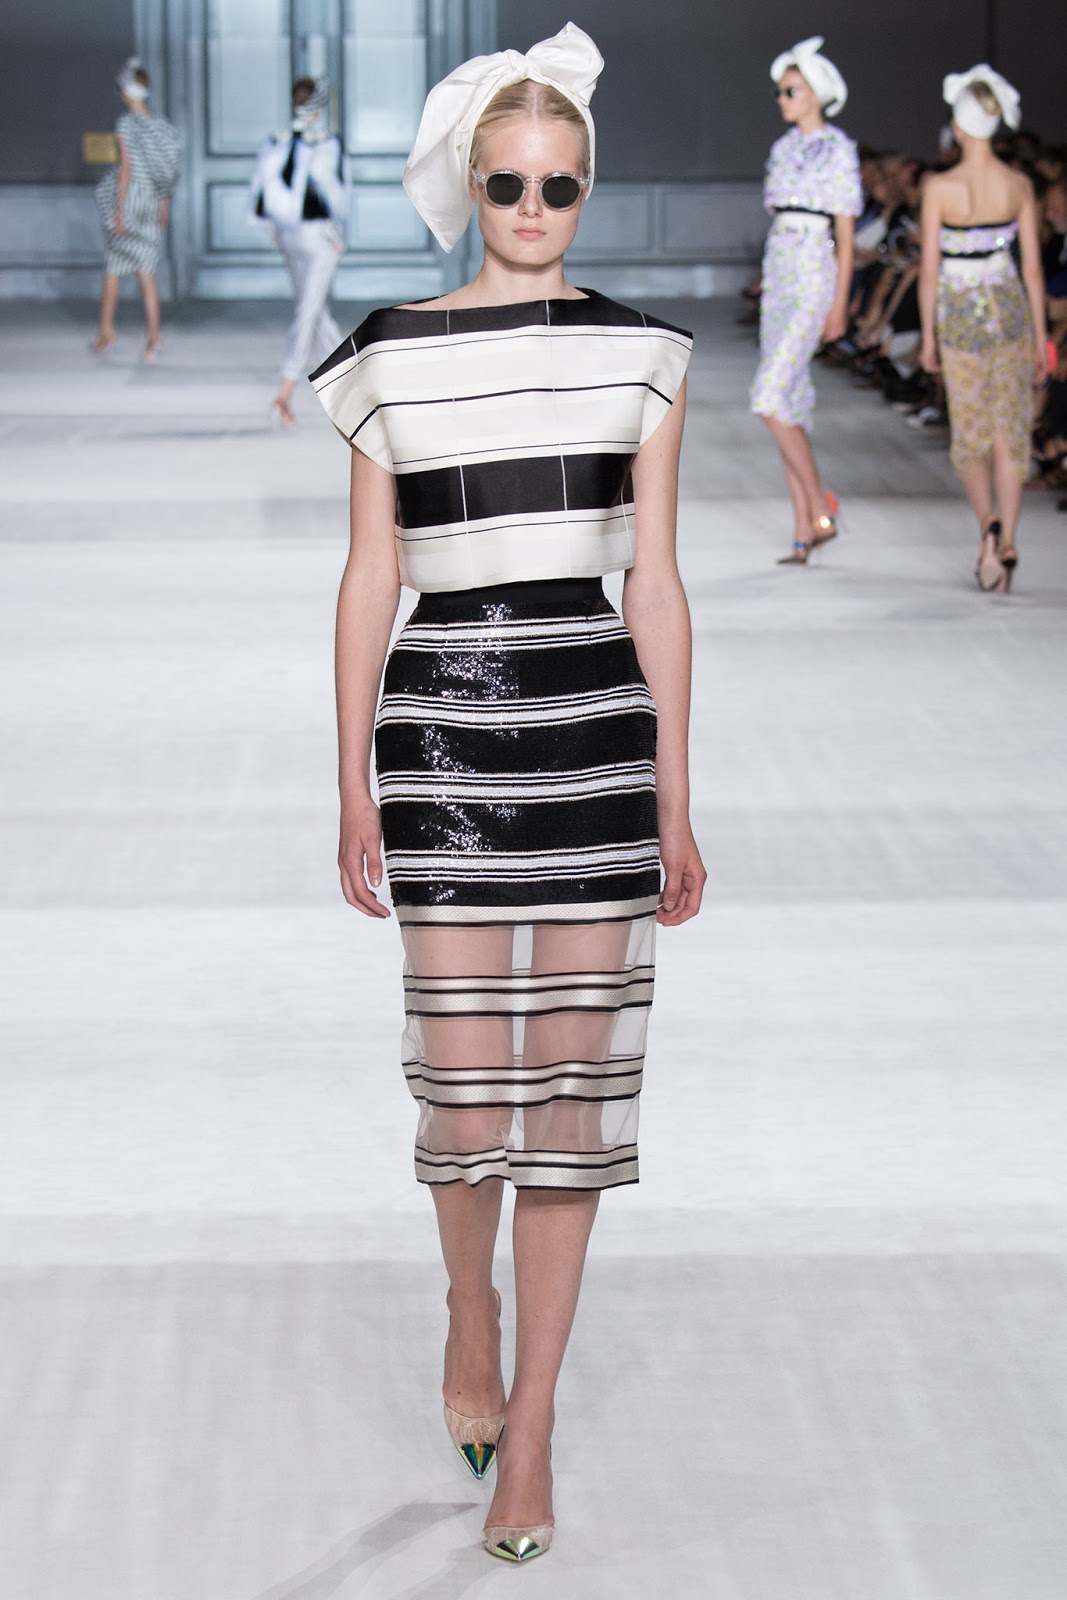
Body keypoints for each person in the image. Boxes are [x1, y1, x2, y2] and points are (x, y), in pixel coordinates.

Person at [309, 21, 705, 1564]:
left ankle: (528, 1421)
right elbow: (369, 574)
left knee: (569, 1107)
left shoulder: (643, 355)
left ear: (585, 189)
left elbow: (654, 584)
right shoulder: (389, 354)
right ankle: (463, 1304)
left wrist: (675, 793)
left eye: (556, 186)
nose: (532, 210)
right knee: (466, 1094)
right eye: (506, 185)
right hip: (444, 745)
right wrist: (350, 779)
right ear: (468, 189)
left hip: (594, 736)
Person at [920, 67, 1048, 591]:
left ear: (958, 124)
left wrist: (928, 336)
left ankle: (987, 526)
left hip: (959, 312)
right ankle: (1009, 541)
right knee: (1008, 429)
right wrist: (1042, 338)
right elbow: (1032, 270)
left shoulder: (940, 187)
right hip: (1009, 309)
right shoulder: (1018, 184)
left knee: (970, 429)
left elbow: (930, 271)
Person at [751, 36, 862, 565]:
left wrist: (840, 302)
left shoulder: (839, 148)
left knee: (768, 396)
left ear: (816, 93)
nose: (782, 98)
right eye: (779, 91)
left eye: (791, 90)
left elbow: (846, 232)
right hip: (780, 274)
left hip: (816, 272)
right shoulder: (781, 148)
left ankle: (820, 504)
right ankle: (804, 528)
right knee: (789, 399)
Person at [249, 78, 350, 429]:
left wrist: (275, 231)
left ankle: (350, 382)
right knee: (309, 312)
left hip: (289, 236)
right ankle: (284, 394)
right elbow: (335, 193)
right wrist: (337, 232)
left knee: (314, 310)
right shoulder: (327, 143)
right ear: (318, 108)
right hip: (319, 237)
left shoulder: (276, 141)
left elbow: (263, 190)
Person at [93, 58, 182, 359]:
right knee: (146, 272)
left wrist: (119, 213)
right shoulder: (163, 128)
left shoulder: (127, 124)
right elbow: (168, 172)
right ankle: (153, 337)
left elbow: (126, 170)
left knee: (113, 267)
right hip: (153, 202)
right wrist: (164, 205)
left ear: (127, 93)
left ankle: (106, 332)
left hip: (130, 201)